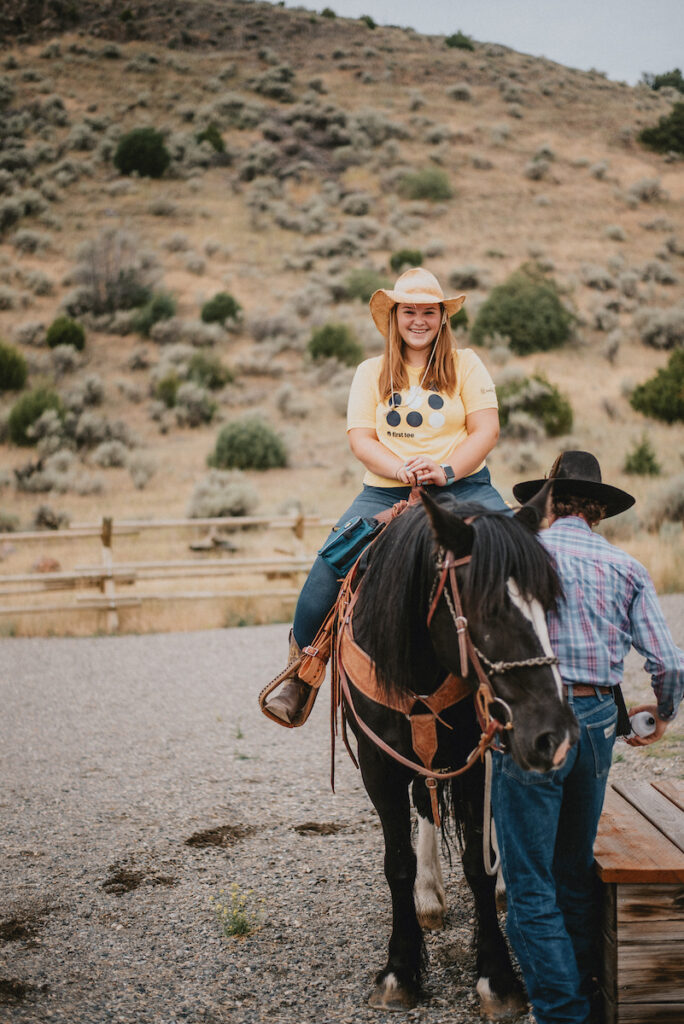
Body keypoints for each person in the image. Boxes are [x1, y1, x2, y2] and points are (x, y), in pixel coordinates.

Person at [264, 267, 510, 725]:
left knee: (522, 553)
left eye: (429, 312)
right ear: (394, 317)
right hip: (386, 490)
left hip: (463, 485)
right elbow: (361, 439)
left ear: (442, 317)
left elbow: (486, 430)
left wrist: (445, 470)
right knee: (330, 567)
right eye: (409, 311)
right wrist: (401, 469)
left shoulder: (467, 364)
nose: (419, 320)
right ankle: (301, 676)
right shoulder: (370, 372)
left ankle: (560, 677)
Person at [491, 450, 684, 1024]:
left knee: (530, 881)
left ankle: (562, 1011)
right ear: (598, 510)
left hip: (532, 720)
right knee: (574, 869)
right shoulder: (626, 567)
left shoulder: (518, 558)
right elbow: (670, 663)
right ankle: (584, 991)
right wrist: (662, 713)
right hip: (598, 717)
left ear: (547, 502)